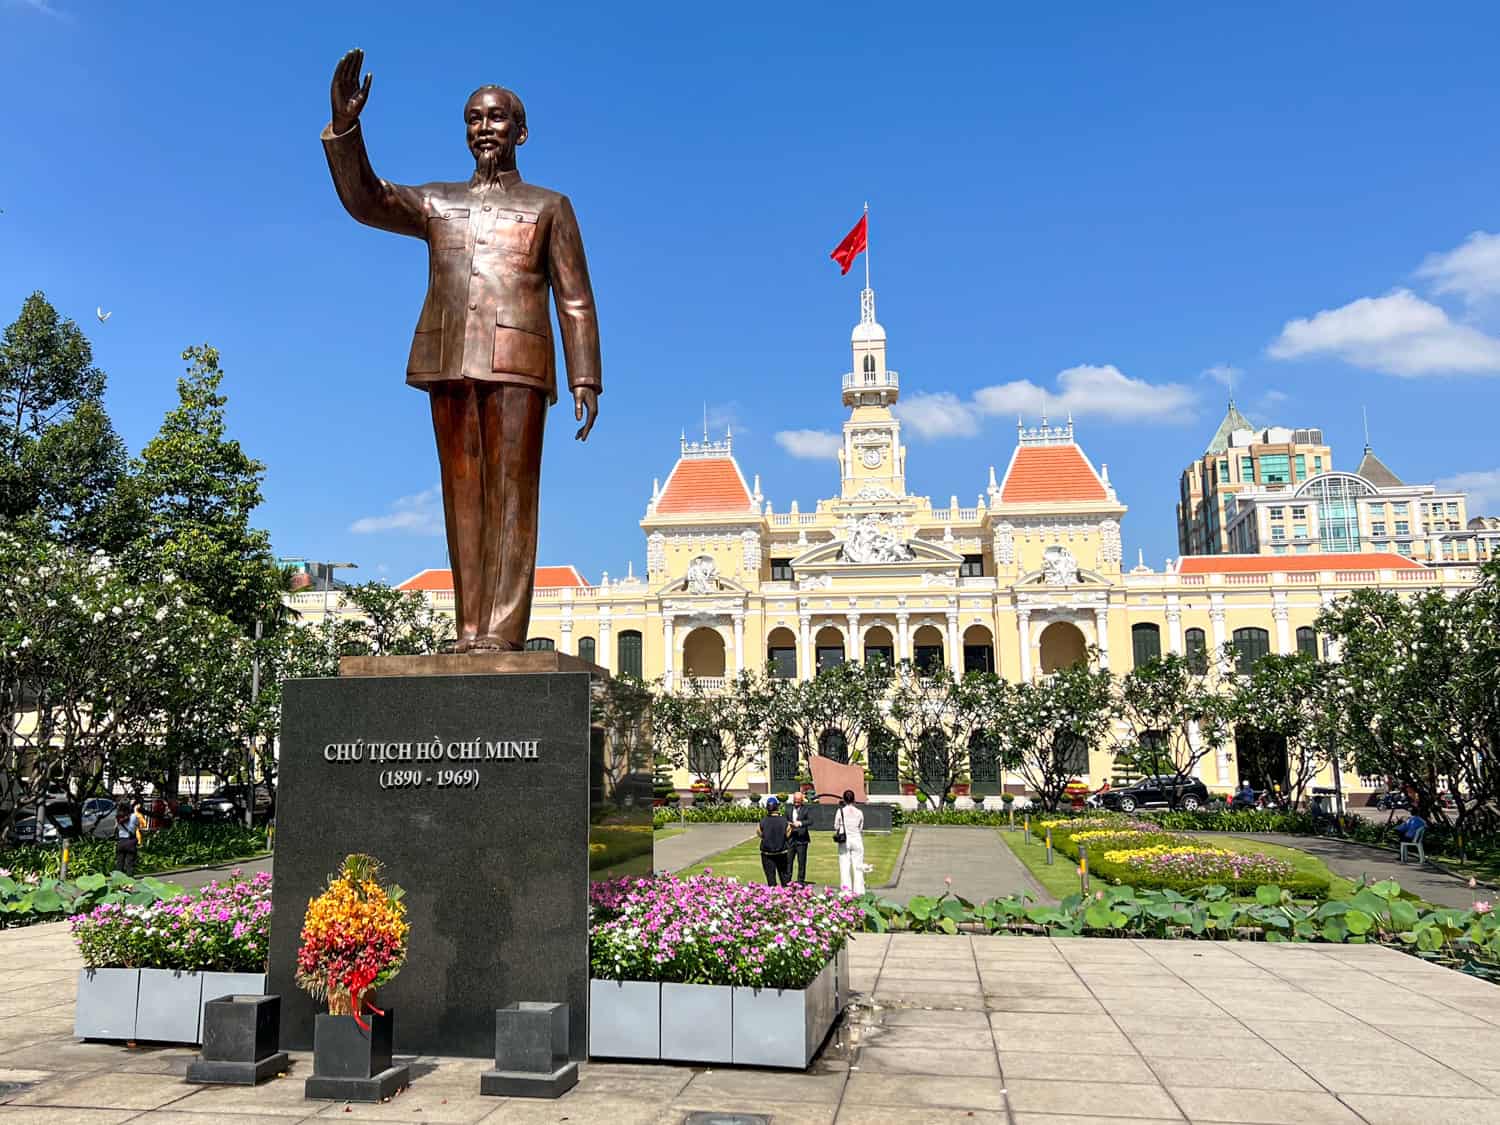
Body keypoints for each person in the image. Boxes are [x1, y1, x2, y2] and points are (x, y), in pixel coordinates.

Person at [321, 50, 602, 652]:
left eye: (497, 118)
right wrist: (347, 130)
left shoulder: (550, 206)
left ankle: (502, 630)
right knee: (462, 498)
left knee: (512, 497)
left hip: (521, 366)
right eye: (474, 117)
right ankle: (470, 627)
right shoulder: (436, 201)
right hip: (449, 360)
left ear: (520, 132)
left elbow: (575, 297)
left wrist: (586, 377)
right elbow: (367, 198)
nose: (484, 127)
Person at [757, 796, 793, 887]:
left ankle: (772, 897)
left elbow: (760, 834)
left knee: (770, 878)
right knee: (784, 877)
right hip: (781, 853)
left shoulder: (763, 821)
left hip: (767, 854)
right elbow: (788, 834)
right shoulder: (784, 821)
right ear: (777, 807)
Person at [835, 790, 865, 896]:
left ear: (844, 799)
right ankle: (859, 889)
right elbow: (861, 827)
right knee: (858, 865)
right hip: (856, 838)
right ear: (853, 799)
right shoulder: (859, 812)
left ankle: (846, 890)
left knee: (844, 865)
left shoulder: (841, 811)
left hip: (845, 840)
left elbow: (836, 826)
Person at [787, 791, 811, 884]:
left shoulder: (806, 809)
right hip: (791, 839)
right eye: (795, 801)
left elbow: (810, 820)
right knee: (788, 861)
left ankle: (800, 881)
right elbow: (785, 820)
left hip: (802, 839)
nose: (796, 803)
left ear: (802, 801)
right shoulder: (788, 809)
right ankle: (787, 880)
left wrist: (800, 823)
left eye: (798, 801)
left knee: (801, 861)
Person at [114, 801, 142, 876]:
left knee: (119, 863)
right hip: (130, 842)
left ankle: (118, 881)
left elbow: (116, 828)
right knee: (130, 863)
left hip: (120, 842)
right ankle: (129, 881)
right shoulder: (133, 816)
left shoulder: (117, 817)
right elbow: (138, 826)